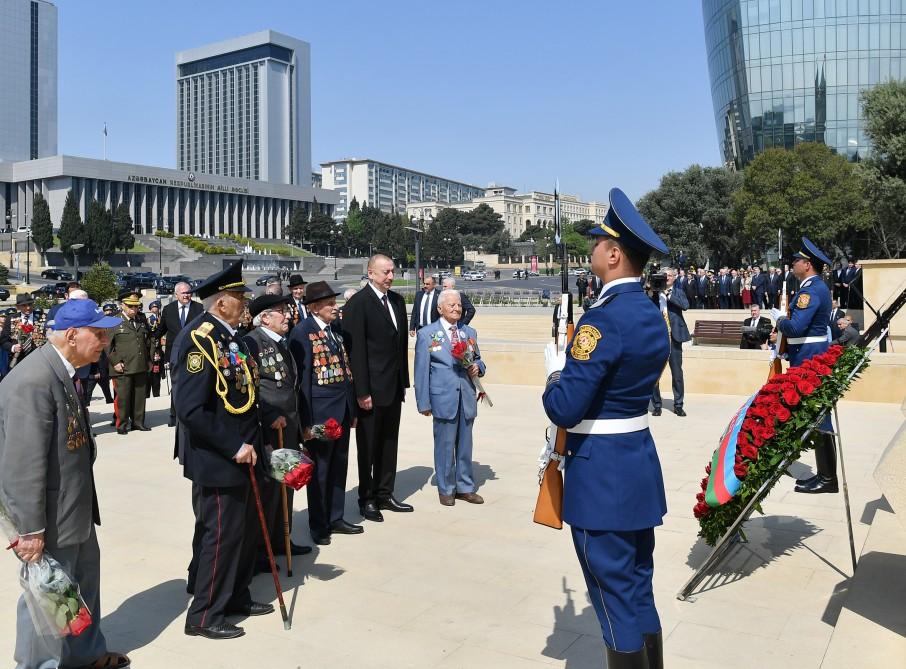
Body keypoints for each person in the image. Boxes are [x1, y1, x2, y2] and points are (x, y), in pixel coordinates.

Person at [542, 188, 668, 667]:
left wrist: (555, 373)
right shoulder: (648, 312)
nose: (591, 248)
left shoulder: (603, 320)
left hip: (602, 475)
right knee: (637, 585)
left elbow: (565, 408)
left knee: (610, 592)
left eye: (597, 242)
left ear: (614, 254)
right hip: (636, 464)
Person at [0, 298, 129, 669]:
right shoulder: (34, 381)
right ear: (72, 335)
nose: (105, 340)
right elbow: (21, 466)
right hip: (48, 518)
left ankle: (85, 656)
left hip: (74, 509)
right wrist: (30, 529)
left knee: (81, 588)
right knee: (48, 598)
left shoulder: (64, 370)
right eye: (99, 333)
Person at [175, 260, 274, 640]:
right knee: (221, 537)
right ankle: (204, 615)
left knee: (243, 532)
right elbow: (192, 409)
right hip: (220, 458)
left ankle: (234, 597)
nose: (245, 302)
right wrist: (234, 445)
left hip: (245, 452)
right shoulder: (199, 340)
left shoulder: (228, 336)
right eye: (238, 296)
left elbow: (243, 393)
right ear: (220, 303)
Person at [289, 281, 363, 545]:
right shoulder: (302, 332)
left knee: (339, 465)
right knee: (320, 470)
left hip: (341, 410)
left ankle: (335, 516)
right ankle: (318, 524)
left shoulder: (336, 330)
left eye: (335, 302)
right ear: (315, 307)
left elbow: (346, 373)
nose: (335, 307)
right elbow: (303, 381)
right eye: (330, 303)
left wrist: (351, 409)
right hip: (319, 414)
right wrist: (306, 423)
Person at [243, 293, 313, 566]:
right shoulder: (252, 342)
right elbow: (250, 386)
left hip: (289, 425)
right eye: (280, 311)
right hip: (270, 429)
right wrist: (269, 414)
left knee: (285, 487)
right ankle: (262, 550)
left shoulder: (282, 342)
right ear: (265, 317)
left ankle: (282, 539)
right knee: (269, 491)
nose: (287, 315)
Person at [342, 254, 412, 522]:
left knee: (389, 442)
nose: (391, 277)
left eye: (392, 271)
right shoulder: (358, 304)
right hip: (371, 390)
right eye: (385, 272)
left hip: (393, 387)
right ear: (370, 273)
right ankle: (367, 498)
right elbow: (356, 351)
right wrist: (362, 391)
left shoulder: (395, 301)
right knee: (368, 447)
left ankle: (385, 492)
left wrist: (403, 381)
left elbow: (400, 346)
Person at [771, 237, 838, 495]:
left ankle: (828, 478)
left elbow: (797, 327)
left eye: (796, 260)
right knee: (816, 416)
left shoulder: (810, 290)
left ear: (807, 265)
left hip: (810, 359)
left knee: (819, 416)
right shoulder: (815, 287)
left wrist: (780, 320)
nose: (793, 264)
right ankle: (825, 475)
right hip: (808, 356)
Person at [414, 289, 487, 506]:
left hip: (465, 395)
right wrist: (423, 402)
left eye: (459, 305)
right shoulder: (428, 334)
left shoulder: (469, 332)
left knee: (465, 445)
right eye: (451, 305)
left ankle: (465, 486)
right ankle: (446, 488)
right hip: (442, 398)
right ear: (440, 309)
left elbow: (479, 360)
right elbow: (421, 370)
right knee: (445, 445)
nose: (457, 309)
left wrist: (478, 367)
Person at [158, 282, 204, 426]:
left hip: (195, 355)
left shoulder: (199, 309)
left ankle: (194, 414)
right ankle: (174, 415)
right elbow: (160, 331)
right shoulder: (168, 309)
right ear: (176, 294)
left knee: (194, 385)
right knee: (176, 385)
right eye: (183, 293)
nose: (186, 295)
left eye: (189, 292)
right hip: (175, 355)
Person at [107, 290, 151, 434]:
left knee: (139, 397)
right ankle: (123, 425)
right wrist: (115, 362)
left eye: (136, 306)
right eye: (130, 306)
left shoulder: (141, 320)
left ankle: (138, 422)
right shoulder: (114, 321)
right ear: (122, 306)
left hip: (140, 364)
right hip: (122, 367)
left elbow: (149, 341)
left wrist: (149, 359)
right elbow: (107, 345)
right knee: (123, 398)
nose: (134, 309)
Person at [651, 267, 690, 417]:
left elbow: (685, 306)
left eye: (669, 275)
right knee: (654, 372)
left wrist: (668, 295)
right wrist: (650, 290)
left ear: (674, 277)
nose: (666, 278)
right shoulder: (654, 292)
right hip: (657, 336)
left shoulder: (678, 291)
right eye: (664, 275)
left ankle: (678, 405)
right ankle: (656, 405)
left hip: (674, 336)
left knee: (677, 373)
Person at [0, 293, 47, 369]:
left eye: (30, 304)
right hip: (17, 361)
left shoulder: (42, 318)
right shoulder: (11, 319)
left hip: (38, 361)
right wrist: (13, 347)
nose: (28, 308)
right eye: (24, 305)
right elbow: (3, 340)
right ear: (18, 307)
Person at [146, 300, 164, 398]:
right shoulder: (150, 320)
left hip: (160, 347)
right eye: (153, 307)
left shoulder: (162, 318)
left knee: (158, 373)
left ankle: (157, 393)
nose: (155, 309)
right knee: (152, 373)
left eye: (156, 307)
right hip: (154, 346)